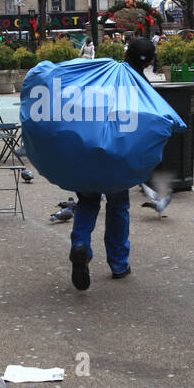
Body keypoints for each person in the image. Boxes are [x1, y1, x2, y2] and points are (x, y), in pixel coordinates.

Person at [69, 38, 155, 290]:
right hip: (119, 156)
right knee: (118, 207)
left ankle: (80, 245)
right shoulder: (142, 87)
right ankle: (118, 263)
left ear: (126, 52)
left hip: (89, 151)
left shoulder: (104, 73)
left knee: (87, 202)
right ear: (150, 61)